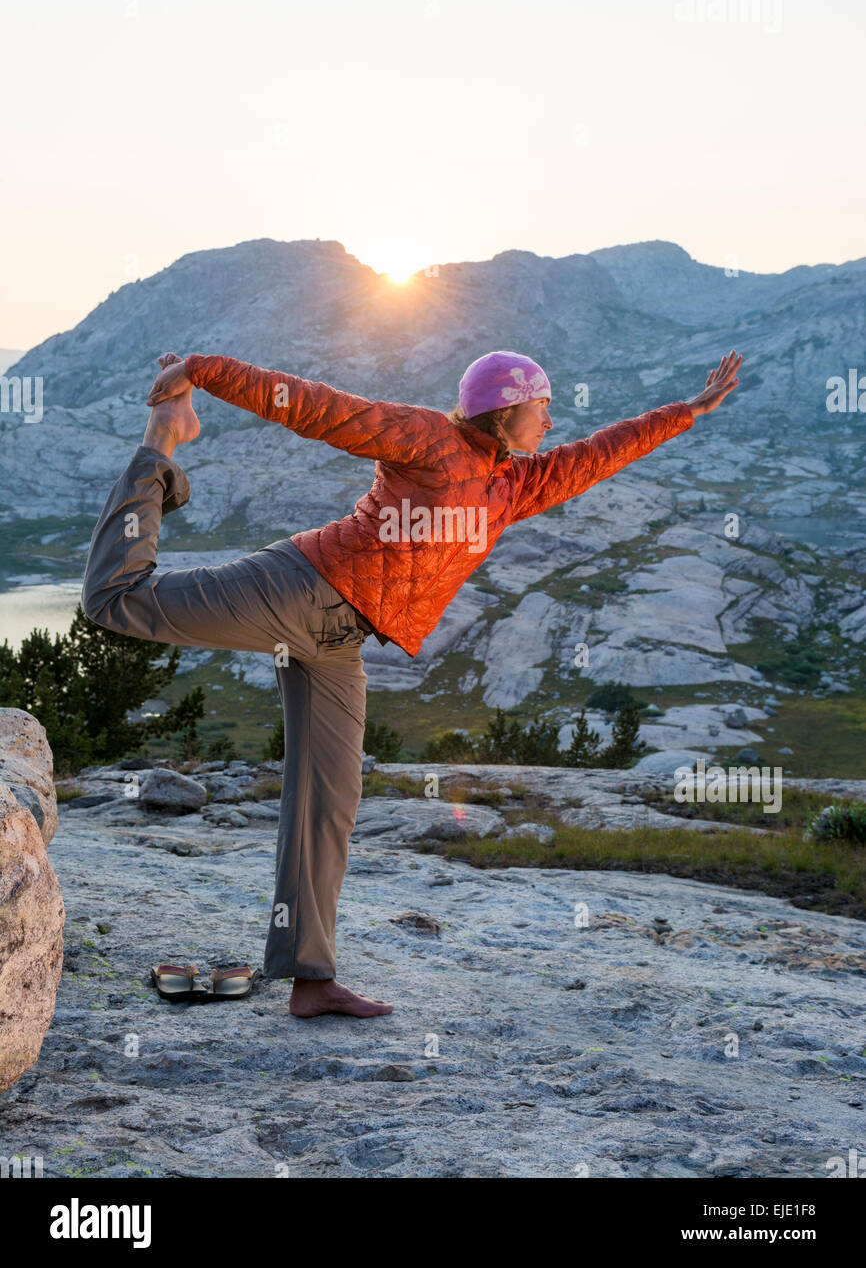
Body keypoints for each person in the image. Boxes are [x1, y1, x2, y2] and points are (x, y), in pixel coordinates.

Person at [81, 345, 742, 1018]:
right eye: (543, 407)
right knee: (116, 599)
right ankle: (160, 441)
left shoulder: (514, 484)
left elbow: (602, 452)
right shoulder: (427, 437)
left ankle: (310, 979)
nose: (551, 420)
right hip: (301, 587)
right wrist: (204, 370)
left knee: (329, 796)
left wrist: (686, 411)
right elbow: (319, 408)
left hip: (340, 644)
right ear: (507, 410)